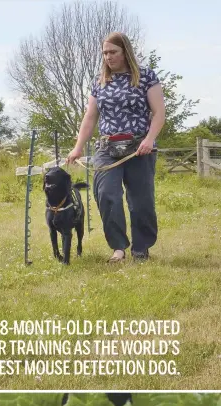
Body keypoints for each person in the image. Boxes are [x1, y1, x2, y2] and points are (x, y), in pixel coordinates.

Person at [66, 32, 165, 263]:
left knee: (141, 201)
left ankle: (141, 248)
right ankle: (118, 248)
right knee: (106, 194)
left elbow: (159, 112)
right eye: (105, 53)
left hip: (139, 146)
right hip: (107, 148)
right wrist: (78, 147)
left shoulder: (145, 76)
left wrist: (149, 139)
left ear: (125, 52)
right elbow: (90, 118)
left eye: (113, 52)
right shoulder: (100, 81)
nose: (108, 57)